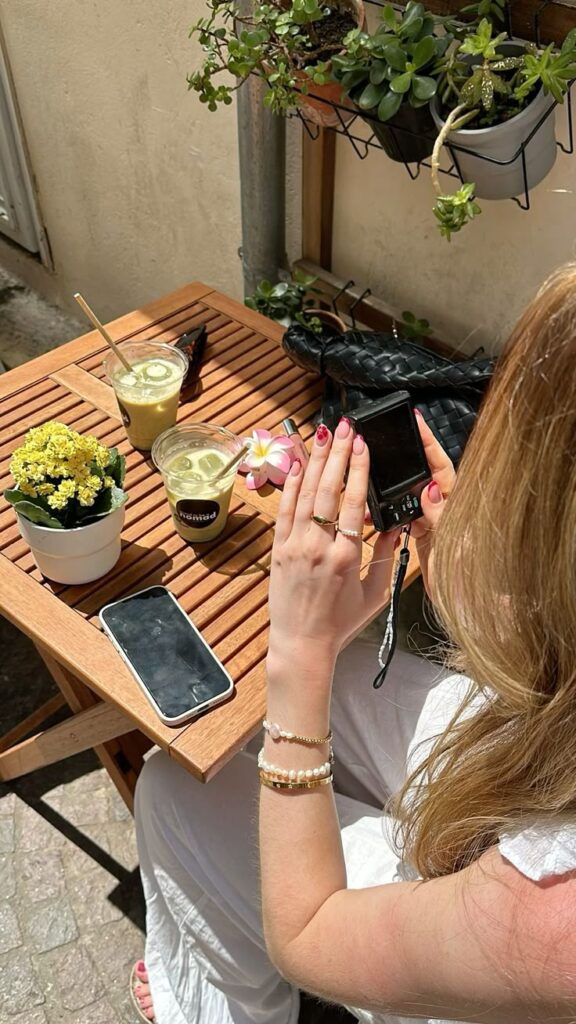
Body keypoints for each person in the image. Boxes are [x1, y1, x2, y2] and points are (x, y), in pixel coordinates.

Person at [132, 265, 576, 1024]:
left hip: (501, 950)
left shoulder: (550, 926)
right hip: (548, 773)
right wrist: (475, 590)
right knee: (340, 687)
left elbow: (310, 935)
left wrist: (300, 643)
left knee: (174, 791)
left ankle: (215, 1010)